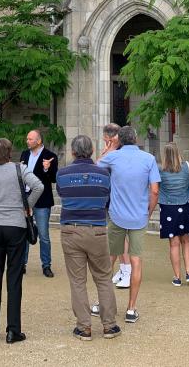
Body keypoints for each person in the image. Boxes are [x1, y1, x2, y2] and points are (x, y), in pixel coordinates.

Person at [56, 135, 121, 341]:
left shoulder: (62, 174)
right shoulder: (104, 174)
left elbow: (62, 193)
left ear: (73, 152)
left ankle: (84, 327)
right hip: (97, 229)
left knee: (77, 281)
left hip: (71, 230)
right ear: (92, 151)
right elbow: (107, 198)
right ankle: (109, 325)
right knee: (103, 278)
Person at [0, 138, 44, 344]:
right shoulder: (19, 169)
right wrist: (27, 206)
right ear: (9, 152)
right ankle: (13, 330)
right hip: (16, 225)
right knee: (14, 277)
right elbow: (38, 186)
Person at [96, 125, 160, 324]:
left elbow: (96, 166)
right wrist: (149, 212)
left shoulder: (113, 157)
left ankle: (100, 303)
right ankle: (131, 309)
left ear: (120, 140)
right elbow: (155, 190)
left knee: (109, 259)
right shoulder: (148, 158)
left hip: (117, 216)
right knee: (136, 260)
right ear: (136, 138)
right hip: (139, 217)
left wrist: (108, 148)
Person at [20, 129, 58, 277]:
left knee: (43, 235)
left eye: (30, 139)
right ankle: (22, 264)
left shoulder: (50, 156)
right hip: (26, 199)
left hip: (42, 200)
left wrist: (46, 169)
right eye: (27, 139)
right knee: (24, 233)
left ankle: (46, 265)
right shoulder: (24, 154)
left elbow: (53, 179)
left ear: (39, 141)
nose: (27, 141)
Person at [158, 142, 189, 287]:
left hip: (168, 208)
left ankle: (177, 277)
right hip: (185, 206)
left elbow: (156, 187)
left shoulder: (160, 169)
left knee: (173, 244)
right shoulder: (187, 166)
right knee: (186, 241)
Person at [98, 123, 131, 288]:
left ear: (109, 138)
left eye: (105, 138)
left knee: (120, 237)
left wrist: (108, 150)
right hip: (112, 199)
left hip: (116, 199)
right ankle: (123, 269)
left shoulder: (116, 154)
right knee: (117, 237)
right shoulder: (114, 152)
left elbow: (98, 168)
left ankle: (128, 271)